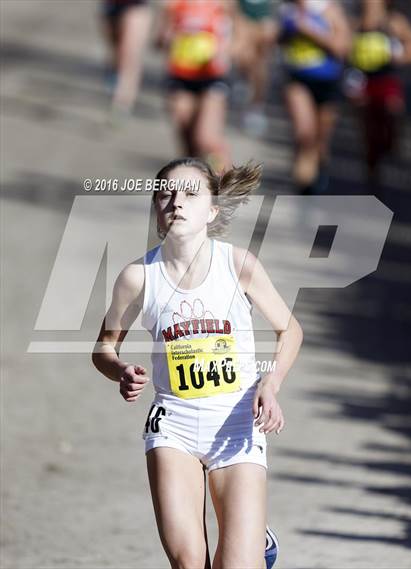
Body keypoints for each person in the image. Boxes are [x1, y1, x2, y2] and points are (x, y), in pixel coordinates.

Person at [92, 157, 304, 568]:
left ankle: (255, 542)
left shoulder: (238, 266)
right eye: (167, 193)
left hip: (237, 422)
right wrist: (121, 370)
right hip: (174, 423)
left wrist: (271, 383)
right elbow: (103, 348)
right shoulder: (138, 277)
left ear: (212, 210)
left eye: (191, 194)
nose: (177, 202)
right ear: (156, 207)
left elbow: (290, 330)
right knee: (190, 562)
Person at [277, 0, 351, 194]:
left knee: (320, 142)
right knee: (305, 134)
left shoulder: (330, 10)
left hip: (327, 83)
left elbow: (342, 47)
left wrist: (309, 31)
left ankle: (316, 182)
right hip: (297, 80)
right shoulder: (287, 11)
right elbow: (278, 41)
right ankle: (302, 190)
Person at [347, 0, 411, 185]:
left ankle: (389, 145)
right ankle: (372, 173)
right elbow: (343, 50)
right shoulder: (355, 24)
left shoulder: (394, 22)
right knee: (368, 130)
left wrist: (400, 56)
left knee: (392, 113)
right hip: (363, 82)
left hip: (386, 81)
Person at [155, 1, 233, 173]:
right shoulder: (173, 4)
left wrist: (225, 52)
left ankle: (225, 186)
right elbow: (159, 41)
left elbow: (240, 38)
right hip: (181, 75)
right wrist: (166, 37)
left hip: (212, 77)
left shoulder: (224, 4)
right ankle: (197, 181)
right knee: (187, 138)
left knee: (206, 138)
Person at [231, 0, 276, 136]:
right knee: (245, 54)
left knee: (260, 63)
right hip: (242, 17)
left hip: (264, 20)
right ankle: (243, 80)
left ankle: (256, 106)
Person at [101, 0, 152, 117]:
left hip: (137, 5)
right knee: (116, 51)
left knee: (130, 53)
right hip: (111, 5)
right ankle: (115, 73)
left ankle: (122, 103)